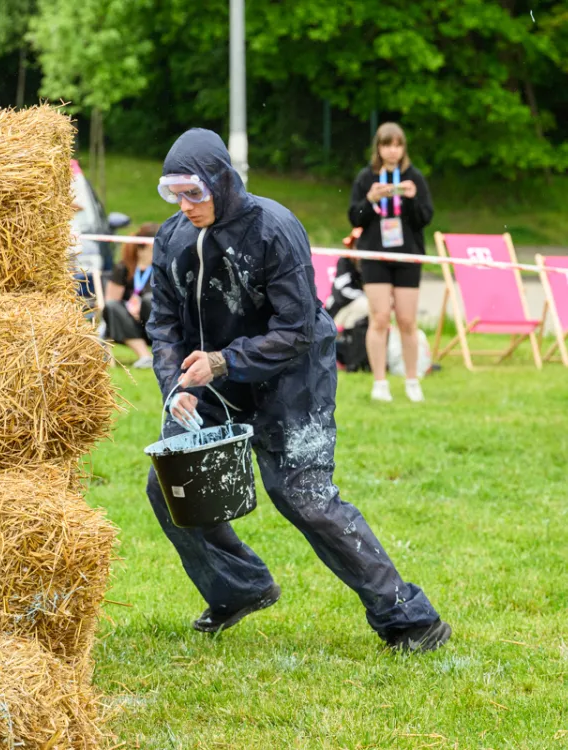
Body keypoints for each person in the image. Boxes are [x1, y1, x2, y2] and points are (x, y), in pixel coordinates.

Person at [145, 128, 450, 653]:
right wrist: (174, 384)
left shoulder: (275, 229)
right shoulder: (172, 239)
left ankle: (409, 617)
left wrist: (223, 361)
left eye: (195, 192)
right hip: (211, 383)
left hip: (292, 378)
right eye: (175, 193)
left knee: (303, 497)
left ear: (221, 182)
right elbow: (163, 323)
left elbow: (298, 330)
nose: (185, 205)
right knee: (170, 484)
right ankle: (238, 588)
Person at [349, 122, 434, 402]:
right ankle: (380, 383)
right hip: (376, 257)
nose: (392, 150)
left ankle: (412, 380)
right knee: (380, 318)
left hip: (407, 256)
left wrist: (410, 198)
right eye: (387, 144)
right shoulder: (366, 177)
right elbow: (354, 217)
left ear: (403, 147)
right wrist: (371, 200)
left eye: (397, 144)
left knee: (407, 321)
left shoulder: (414, 177)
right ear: (379, 147)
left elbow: (425, 217)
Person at [103, 222, 159, 368]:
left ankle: (164, 356)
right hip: (127, 325)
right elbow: (110, 302)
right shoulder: (123, 267)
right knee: (111, 306)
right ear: (147, 246)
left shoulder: (163, 268)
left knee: (149, 300)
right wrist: (129, 309)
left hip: (154, 320)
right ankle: (145, 357)